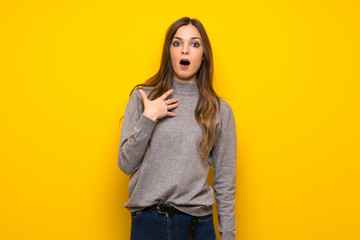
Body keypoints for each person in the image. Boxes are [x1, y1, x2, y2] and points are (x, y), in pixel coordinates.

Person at [118, 16, 237, 240]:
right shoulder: (143, 97)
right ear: (169, 52)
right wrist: (149, 118)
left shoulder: (219, 109)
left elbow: (225, 182)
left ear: (204, 56)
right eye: (177, 43)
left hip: (197, 227)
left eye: (194, 44)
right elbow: (125, 164)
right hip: (147, 225)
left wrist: (228, 235)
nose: (185, 50)